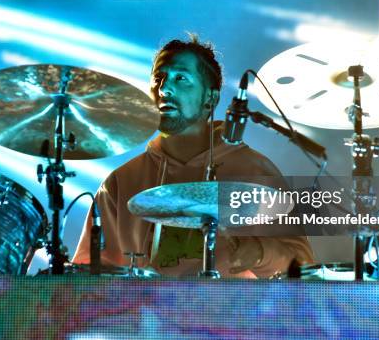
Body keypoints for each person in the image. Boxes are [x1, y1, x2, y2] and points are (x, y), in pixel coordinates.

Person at [73, 35, 313, 278]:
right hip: (144, 313)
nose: (164, 88)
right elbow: (86, 273)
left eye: (181, 78)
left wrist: (260, 252)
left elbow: (302, 266)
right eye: (159, 78)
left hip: (234, 314)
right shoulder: (120, 182)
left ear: (211, 98)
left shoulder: (255, 170)